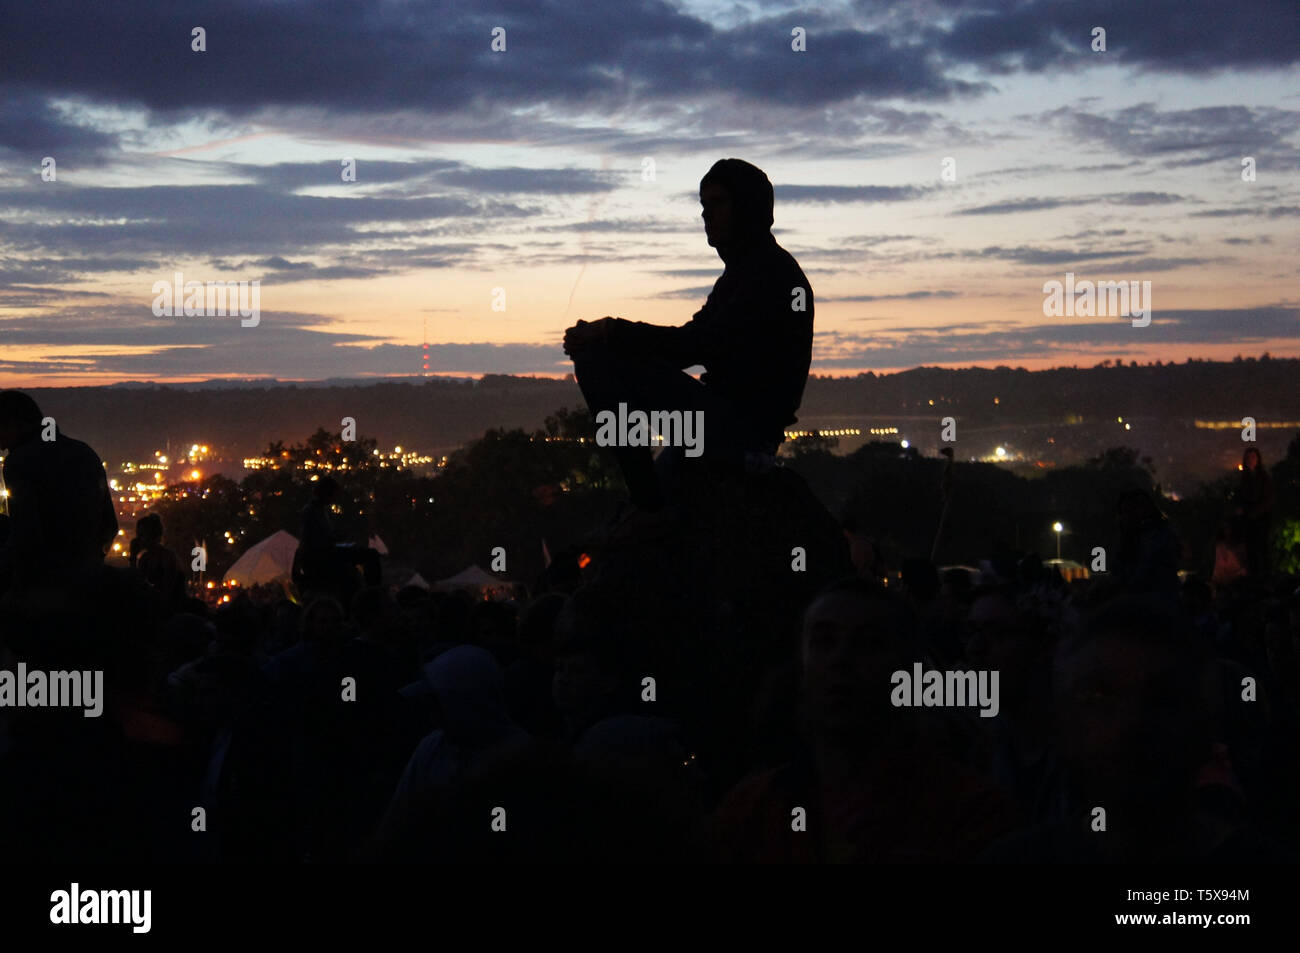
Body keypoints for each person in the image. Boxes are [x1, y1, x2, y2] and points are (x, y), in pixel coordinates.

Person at [563, 158, 814, 514]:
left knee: (600, 361)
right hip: (726, 426)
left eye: (717, 203)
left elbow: (695, 345)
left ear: (748, 206)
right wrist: (606, 336)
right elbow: (691, 343)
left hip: (739, 434)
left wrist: (610, 333)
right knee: (600, 354)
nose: (706, 216)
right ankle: (648, 504)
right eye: (703, 206)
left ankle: (647, 505)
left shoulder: (771, 275)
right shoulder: (743, 274)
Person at [0, 390, 117, 591]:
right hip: (87, 571)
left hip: (48, 580)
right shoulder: (84, 452)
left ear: (14, 424)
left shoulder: (20, 462)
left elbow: (26, 533)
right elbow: (110, 525)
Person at [1235, 447, 1274, 579]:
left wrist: (1250, 512)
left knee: (1262, 549)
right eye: (1248, 458)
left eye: (1253, 457)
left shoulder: (1263, 477)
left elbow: (1267, 499)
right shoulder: (1243, 478)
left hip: (1261, 519)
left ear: (1258, 460)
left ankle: (1265, 578)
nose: (1250, 460)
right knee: (1251, 550)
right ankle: (1255, 578)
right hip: (1248, 521)